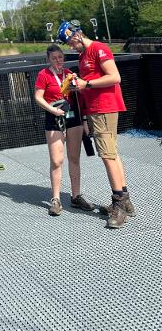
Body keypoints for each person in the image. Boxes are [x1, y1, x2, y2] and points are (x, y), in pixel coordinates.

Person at [57, 20, 135, 229]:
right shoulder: (83, 55)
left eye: (70, 43)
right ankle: (125, 201)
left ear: (76, 35)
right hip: (95, 109)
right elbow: (90, 83)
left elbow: (115, 77)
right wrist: (79, 86)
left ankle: (119, 204)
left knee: (107, 156)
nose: (71, 47)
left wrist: (87, 83)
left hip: (104, 107)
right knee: (113, 154)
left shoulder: (98, 48)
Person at [34, 44, 94, 216]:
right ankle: (56, 199)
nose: (58, 60)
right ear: (48, 59)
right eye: (54, 58)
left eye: (60, 57)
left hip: (73, 117)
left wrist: (84, 121)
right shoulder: (43, 74)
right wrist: (52, 110)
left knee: (74, 158)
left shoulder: (69, 74)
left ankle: (76, 196)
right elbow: (38, 97)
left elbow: (81, 99)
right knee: (56, 160)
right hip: (54, 116)